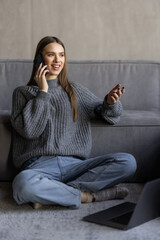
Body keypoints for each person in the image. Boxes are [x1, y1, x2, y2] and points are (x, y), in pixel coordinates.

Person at [11, 36, 137, 209]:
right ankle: (89, 196)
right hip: (39, 167)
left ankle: (54, 194)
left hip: (75, 166)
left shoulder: (76, 91)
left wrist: (110, 102)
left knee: (128, 161)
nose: (57, 60)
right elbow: (30, 131)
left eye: (61, 55)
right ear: (39, 59)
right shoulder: (23, 93)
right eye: (51, 55)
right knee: (22, 185)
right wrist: (43, 93)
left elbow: (109, 115)